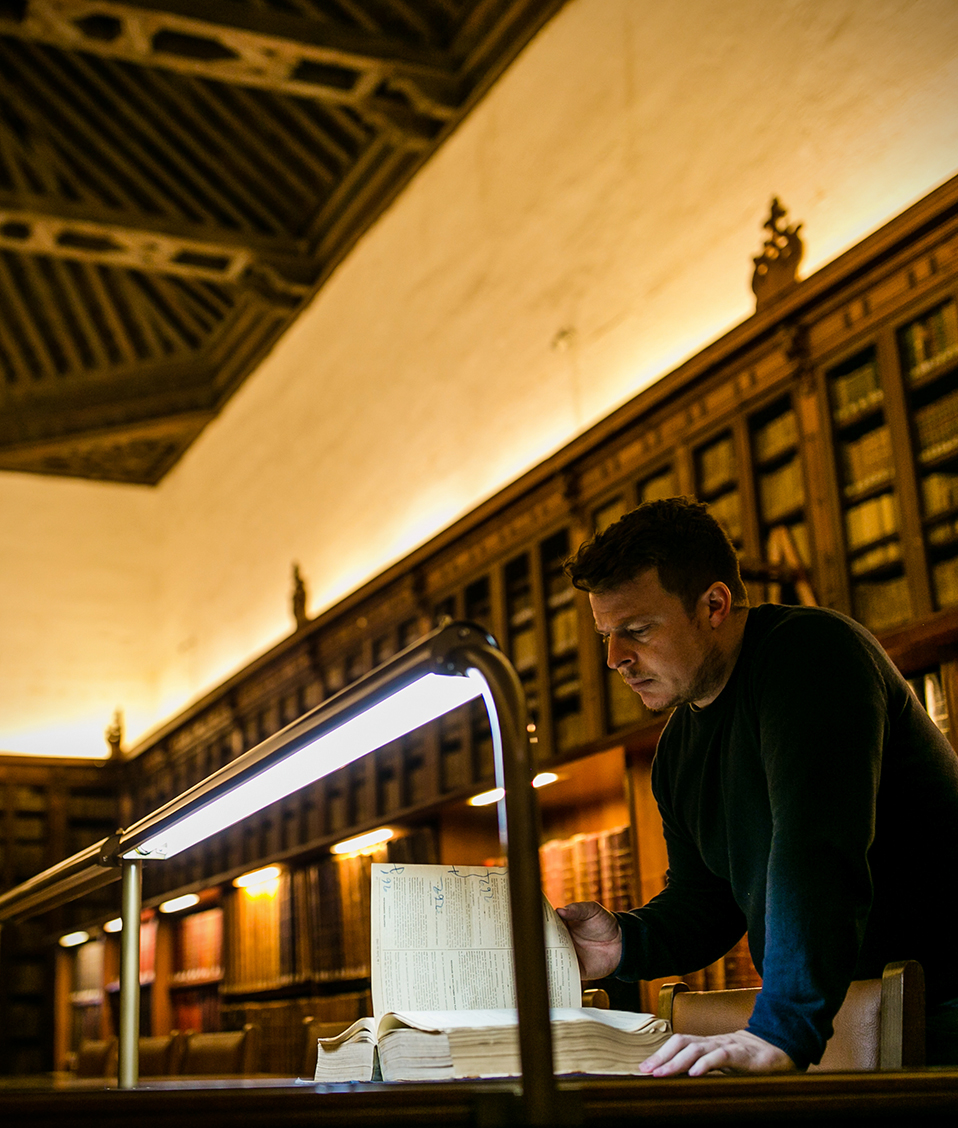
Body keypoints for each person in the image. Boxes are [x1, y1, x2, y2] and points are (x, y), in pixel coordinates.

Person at [557, 496, 958, 1075]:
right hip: (847, 1017)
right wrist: (625, 941)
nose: (617, 658)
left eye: (637, 630)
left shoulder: (812, 654)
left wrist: (781, 1027)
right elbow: (707, 901)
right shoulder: (677, 750)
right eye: (606, 637)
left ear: (714, 604)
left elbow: (815, 847)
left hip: (946, 1008)